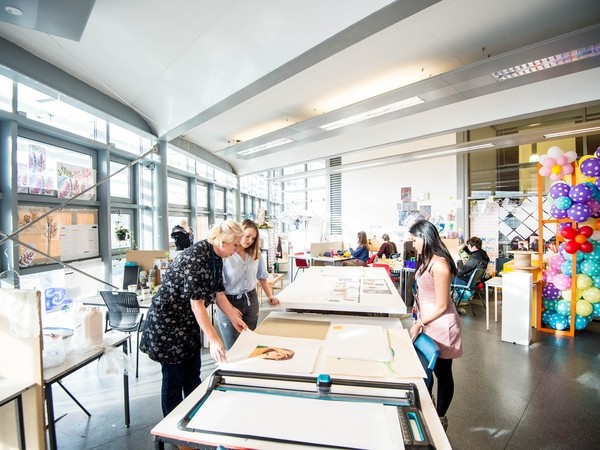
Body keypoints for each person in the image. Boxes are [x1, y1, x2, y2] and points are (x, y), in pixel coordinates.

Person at [139, 220, 244, 416]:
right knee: (173, 378)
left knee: (192, 375)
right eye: (235, 244)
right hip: (168, 325)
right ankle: (173, 427)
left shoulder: (216, 256)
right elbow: (197, 304)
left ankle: (194, 417)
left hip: (187, 324)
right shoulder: (196, 257)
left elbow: (218, 293)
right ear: (223, 241)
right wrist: (214, 339)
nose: (237, 249)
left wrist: (233, 317)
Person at [408, 219, 463, 432]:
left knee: (442, 372)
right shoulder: (428, 260)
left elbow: (441, 305)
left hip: (441, 325)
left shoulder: (440, 264)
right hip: (427, 321)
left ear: (424, 237)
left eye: (414, 240)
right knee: (427, 369)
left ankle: (440, 418)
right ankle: (428, 409)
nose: (413, 245)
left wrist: (420, 323)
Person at [215, 219, 280, 349]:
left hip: (251, 300)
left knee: (249, 344)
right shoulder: (225, 255)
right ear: (239, 234)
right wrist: (230, 309)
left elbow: (261, 276)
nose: (250, 240)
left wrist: (270, 296)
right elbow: (217, 288)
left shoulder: (255, 254)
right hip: (228, 301)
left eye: (253, 238)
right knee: (233, 347)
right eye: (247, 236)